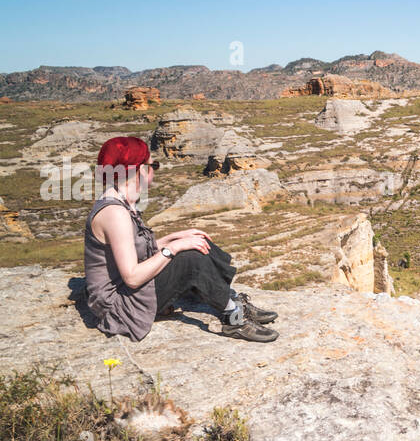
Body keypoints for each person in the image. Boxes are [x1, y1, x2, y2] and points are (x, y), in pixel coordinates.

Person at [83, 136, 279, 342]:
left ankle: (229, 298)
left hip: (128, 290)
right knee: (191, 258)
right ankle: (233, 318)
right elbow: (132, 277)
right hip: (119, 304)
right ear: (139, 170)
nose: (154, 170)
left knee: (196, 241)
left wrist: (173, 238)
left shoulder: (122, 202)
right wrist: (173, 248)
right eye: (153, 165)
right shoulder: (115, 213)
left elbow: (133, 250)